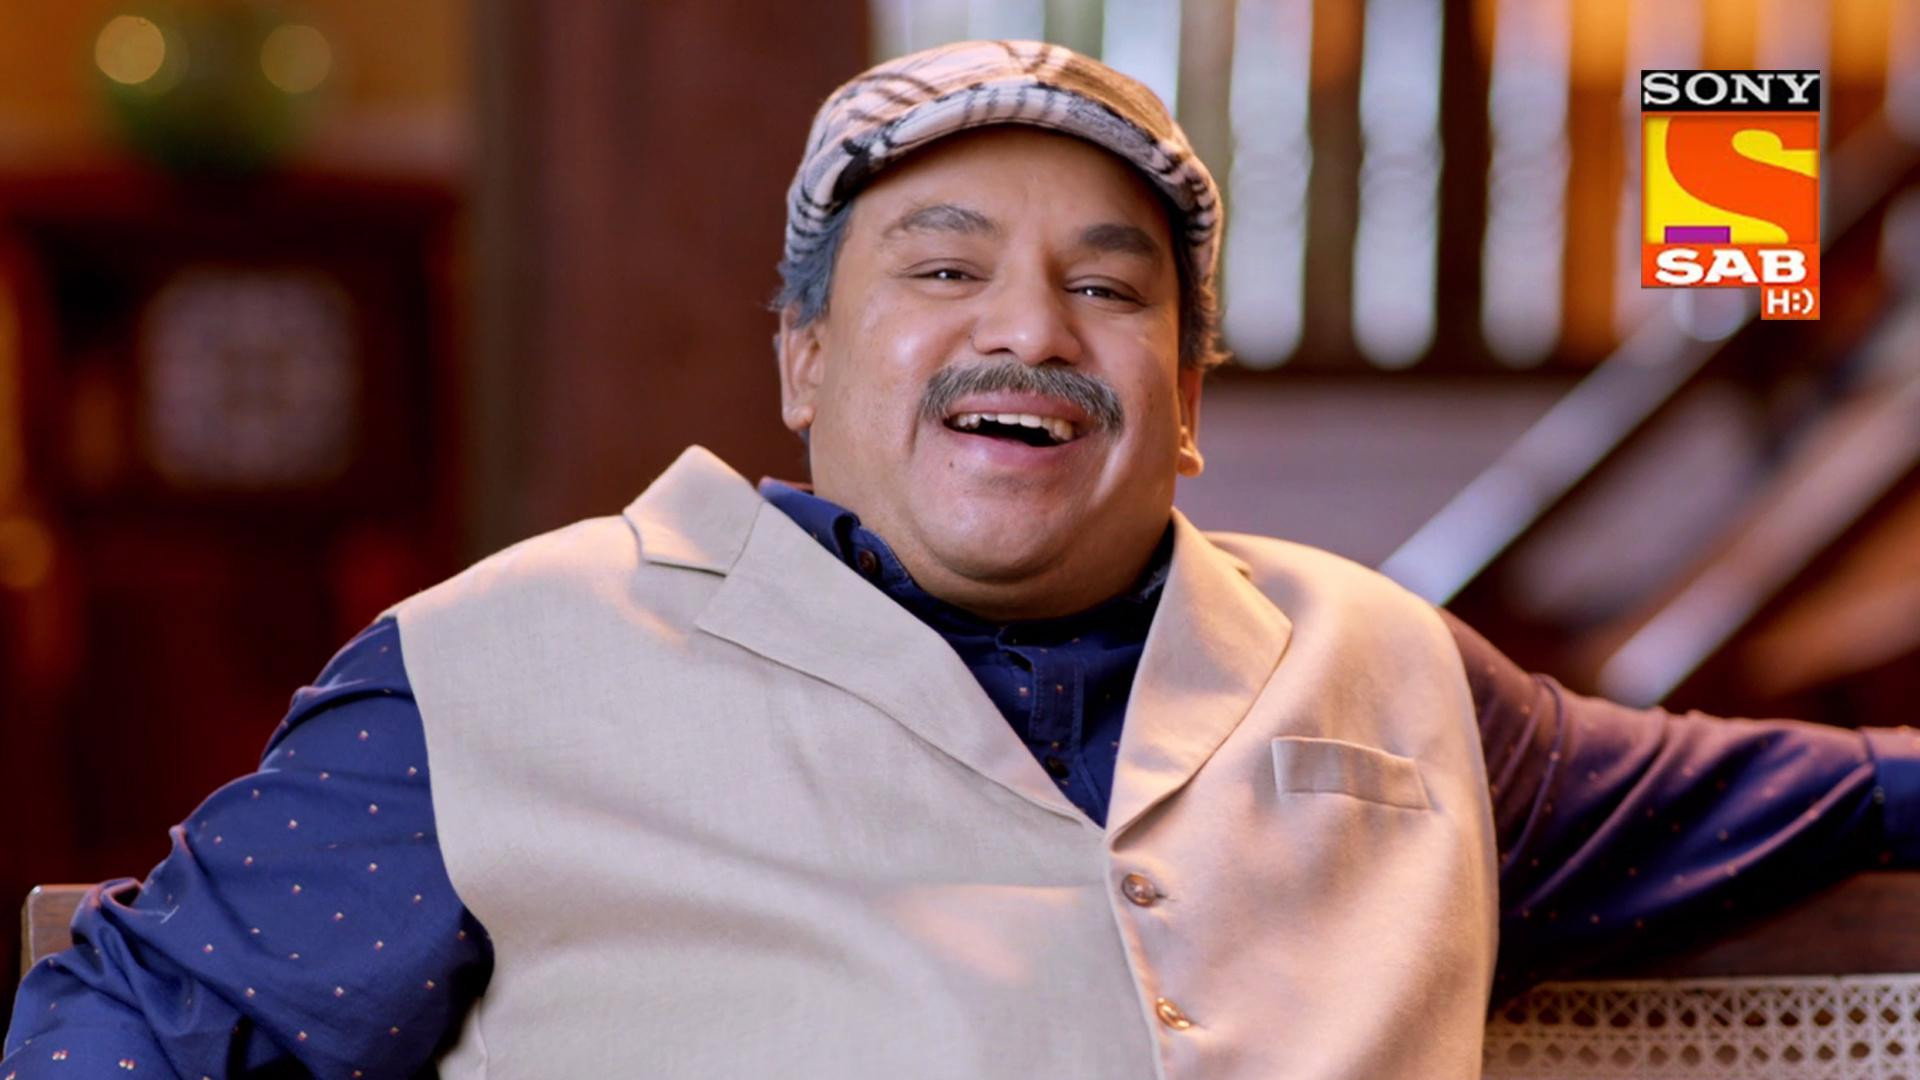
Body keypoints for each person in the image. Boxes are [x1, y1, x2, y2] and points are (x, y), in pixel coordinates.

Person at [5, 39, 1917, 1080]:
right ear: (804, 362)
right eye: (942, 269)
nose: (1030, 329)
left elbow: (1831, 798)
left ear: (1186, 396)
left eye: (1110, 288)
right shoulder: (499, 663)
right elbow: (130, 1044)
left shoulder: (1397, 672)